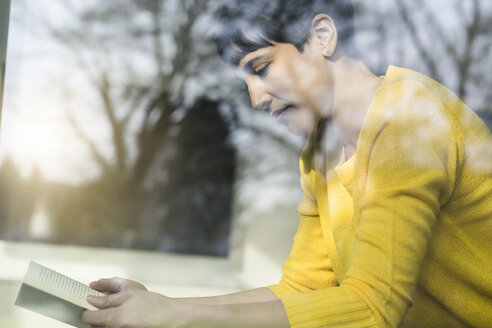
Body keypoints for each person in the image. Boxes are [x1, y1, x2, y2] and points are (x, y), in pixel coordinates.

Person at [82, 0, 492, 327]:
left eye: (261, 68)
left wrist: (173, 318)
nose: (256, 99)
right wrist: (160, 306)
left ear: (322, 35)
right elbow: (302, 288)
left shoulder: (406, 117)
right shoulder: (320, 155)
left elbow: (372, 307)